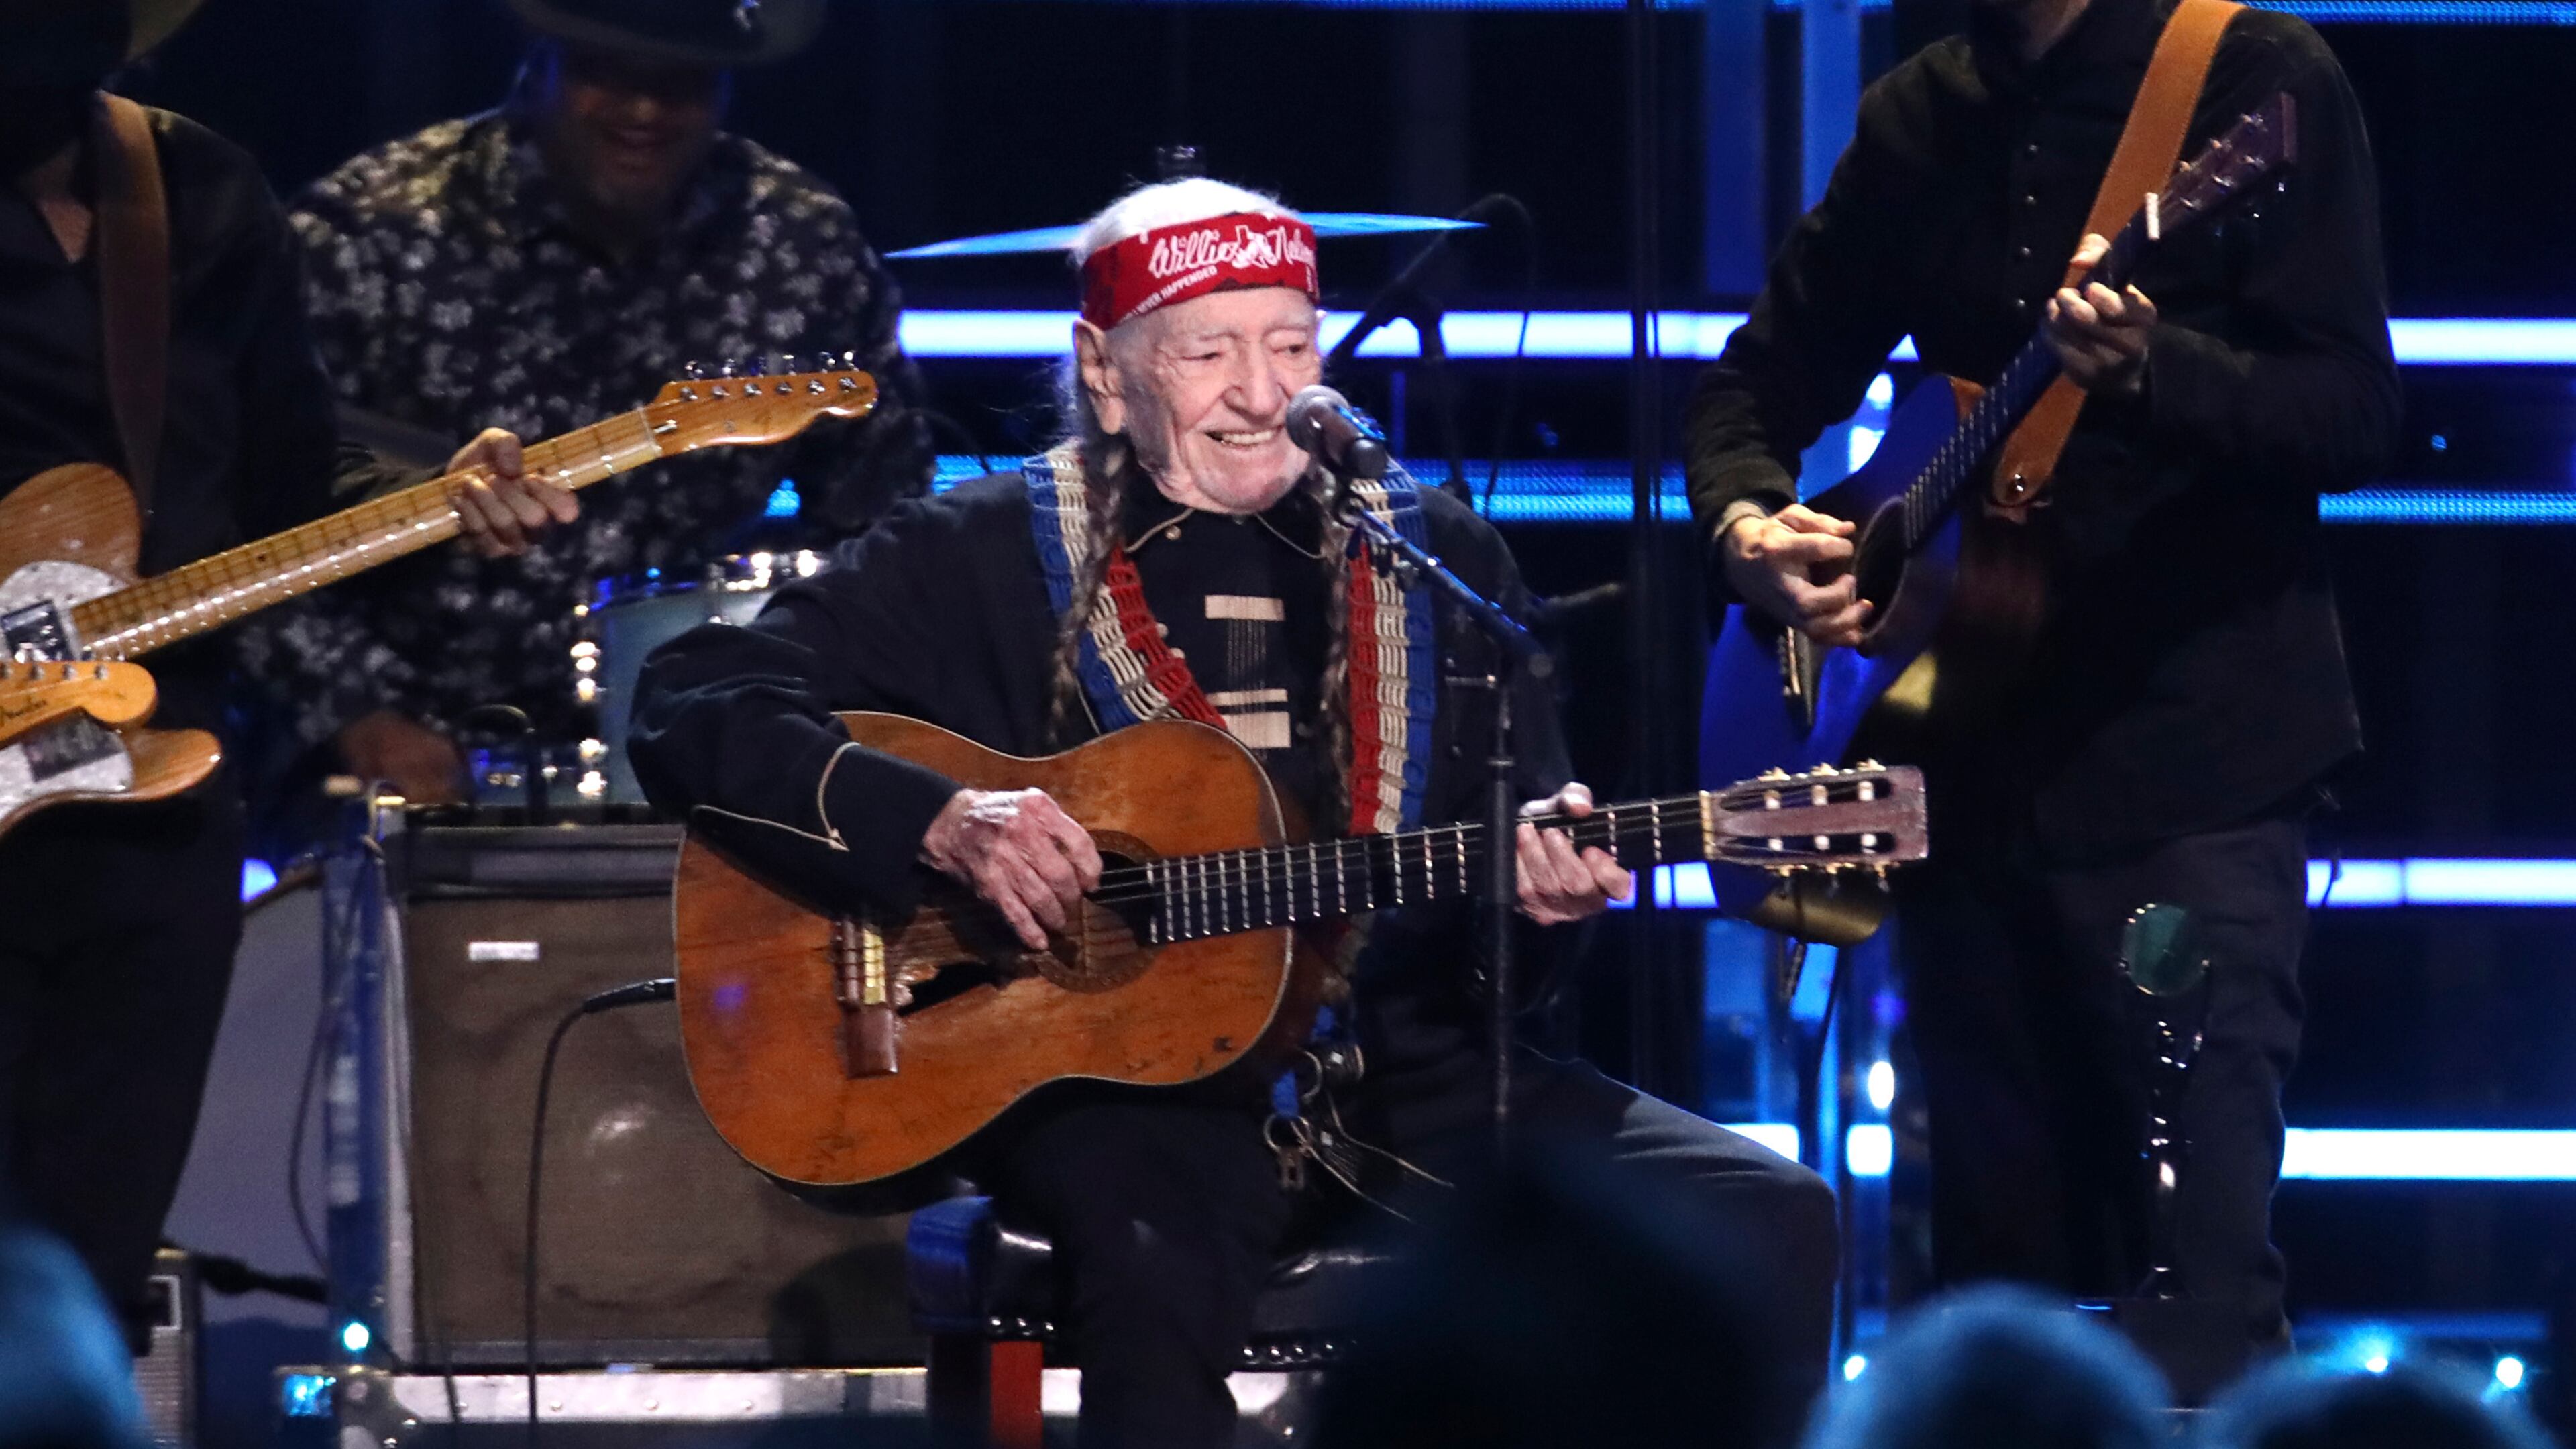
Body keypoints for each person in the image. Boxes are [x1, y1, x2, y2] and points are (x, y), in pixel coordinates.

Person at [631, 178, 1841, 1449]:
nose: (1263, 395)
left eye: (1291, 346)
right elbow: (689, 695)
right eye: (1209, 352)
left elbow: (1505, 980)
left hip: (1401, 1073)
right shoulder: (975, 551)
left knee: (1768, 1212)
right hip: (1126, 1097)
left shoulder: (1442, 563)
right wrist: (936, 821)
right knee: (1155, 1270)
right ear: (1106, 375)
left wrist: (1541, 903)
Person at [1685, 0, 2398, 1358]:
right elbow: (1751, 390)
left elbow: (2356, 411)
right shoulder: (1918, 115)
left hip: (2188, 782)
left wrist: (2153, 369)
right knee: (1994, 1298)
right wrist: (1750, 533)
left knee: (2195, 1282)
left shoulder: (2251, 80)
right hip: (1957, 787)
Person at [0, 0, 548, 1351]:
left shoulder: (188, 186)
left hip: (150, 794)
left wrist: (434, 494)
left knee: (83, 1276)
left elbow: (284, 482)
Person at [239, 0, 933, 803]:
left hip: (691, 749)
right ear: (540, 65)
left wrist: (794, 713)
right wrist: (357, 710)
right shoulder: (367, 234)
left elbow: (881, 526)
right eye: (609, 75)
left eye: (679, 84)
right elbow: (235, 508)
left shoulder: (800, 244)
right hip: (391, 754)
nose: (644, 111)